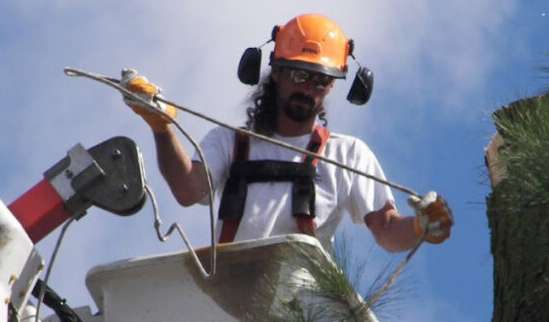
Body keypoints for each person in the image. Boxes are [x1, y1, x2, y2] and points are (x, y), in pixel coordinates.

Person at [121, 13, 452, 252]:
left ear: (333, 87)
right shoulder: (231, 143)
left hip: (305, 313)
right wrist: (163, 128)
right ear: (275, 74)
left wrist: (421, 227)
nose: (307, 89)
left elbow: (386, 229)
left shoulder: (347, 155)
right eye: (298, 74)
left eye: (320, 80)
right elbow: (187, 189)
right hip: (229, 298)